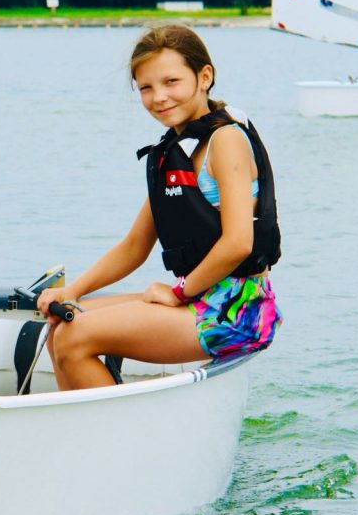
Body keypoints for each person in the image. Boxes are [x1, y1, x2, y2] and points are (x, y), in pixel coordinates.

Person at [36, 25, 282, 390]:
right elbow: (134, 246)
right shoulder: (173, 153)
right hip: (200, 297)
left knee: (75, 336)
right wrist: (72, 291)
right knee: (62, 323)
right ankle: (86, 424)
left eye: (171, 82)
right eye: (146, 88)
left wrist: (178, 292)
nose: (159, 97)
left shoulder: (226, 140)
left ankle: (120, 426)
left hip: (237, 309)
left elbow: (238, 243)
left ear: (204, 77)